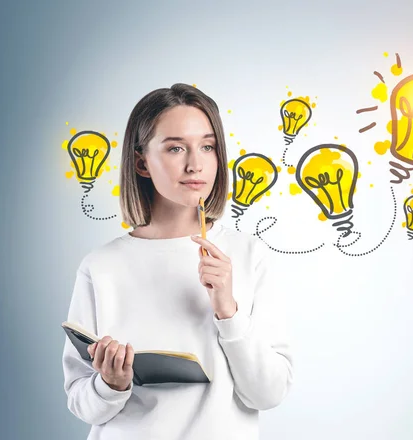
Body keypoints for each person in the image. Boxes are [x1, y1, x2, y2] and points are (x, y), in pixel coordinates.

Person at [62, 83, 293, 439]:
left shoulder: (247, 255)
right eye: (175, 148)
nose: (195, 164)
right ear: (141, 161)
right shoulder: (101, 267)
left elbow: (268, 393)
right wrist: (110, 384)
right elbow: (80, 402)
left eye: (207, 146)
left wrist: (228, 311)